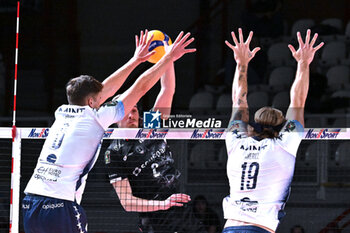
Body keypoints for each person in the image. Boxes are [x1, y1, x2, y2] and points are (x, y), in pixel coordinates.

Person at [22, 30, 196, 233]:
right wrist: (168, 57)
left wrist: (136, 60)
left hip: (31, 200)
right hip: (61, 203)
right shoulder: (104, 132)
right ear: (91, 102)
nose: (131, 113)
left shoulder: (62, 113)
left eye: (135, 109)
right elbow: (139, 87)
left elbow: (108, 91)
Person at [222, 28, 323, 233]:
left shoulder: (236, 142)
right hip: (260, 229)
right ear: (282, 127)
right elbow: (298, 101)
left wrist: (241, 63)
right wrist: (303, 64)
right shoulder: (284, 145)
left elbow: (238, 101)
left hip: (230, 228)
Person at [104, 49, 205, 233]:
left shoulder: (150, 125)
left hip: (181, 208)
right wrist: (163, 204)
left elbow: (167, 89)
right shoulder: (114, 151)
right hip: (154, 218)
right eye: (126, 110)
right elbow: (127, 202)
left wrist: (169, 56)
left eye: (134, 110)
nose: (132, 114)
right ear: (116, 116)